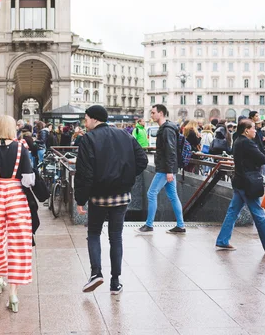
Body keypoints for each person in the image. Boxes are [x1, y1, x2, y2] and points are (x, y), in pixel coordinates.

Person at [75, 105, 148, 293]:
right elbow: (142, 160)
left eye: (86, 118)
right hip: (121, 195)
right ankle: (115, 282)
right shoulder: (125, 135)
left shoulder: (87, 139)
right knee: (116, 237)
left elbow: (84, 172)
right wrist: (127, 177)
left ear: (94, 119)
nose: (85, 122)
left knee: (94, 233)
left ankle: (96, 273)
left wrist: (80, 199)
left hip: (98, 196)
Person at [0, 115, 35, 313]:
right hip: (16, 197)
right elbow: (28, 179)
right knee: (18, 243)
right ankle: (13, 293)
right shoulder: (22, 148)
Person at [215, 119, 265, 253]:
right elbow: (262, 159)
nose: (255, 130)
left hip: (239, 181)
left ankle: (222, 240)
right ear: (246, 130)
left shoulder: (237, 141)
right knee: (259, 214)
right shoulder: (247, 143)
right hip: (248, 183)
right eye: (253, 128)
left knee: (232, 212)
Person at [138, 104, 186, 234]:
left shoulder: (166, 130)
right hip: (167, 168)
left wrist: (170, 171)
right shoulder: (167, 128)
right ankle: (181, 225)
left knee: (151, 193)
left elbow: (171, 151)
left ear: (161, 113)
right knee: (173, 196)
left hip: (165, 169)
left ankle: (149, 224)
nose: (151, 115)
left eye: (153, 113)